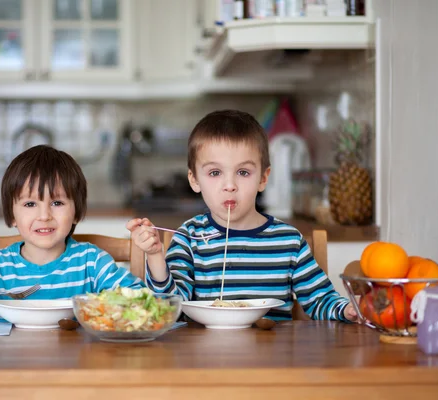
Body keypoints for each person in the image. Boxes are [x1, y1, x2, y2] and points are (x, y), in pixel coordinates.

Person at [127, 110, 357, 322]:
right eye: (215, 173)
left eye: (243, 172)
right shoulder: (189, 238)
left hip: (274, 358)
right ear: (194, 180)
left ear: (263, 179)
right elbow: (171, 310)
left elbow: (322, 300)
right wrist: (155, 256)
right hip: (203, 360)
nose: (230, 185)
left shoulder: (289, 241)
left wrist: (348, 309)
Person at [0, 145, 142, 325]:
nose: (44, 215)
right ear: (12, 216)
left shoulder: (92, 263)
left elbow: (140, 299)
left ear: (76, 212)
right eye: (30, 203)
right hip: (10, 371)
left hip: (77, 369)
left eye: (57, 202)